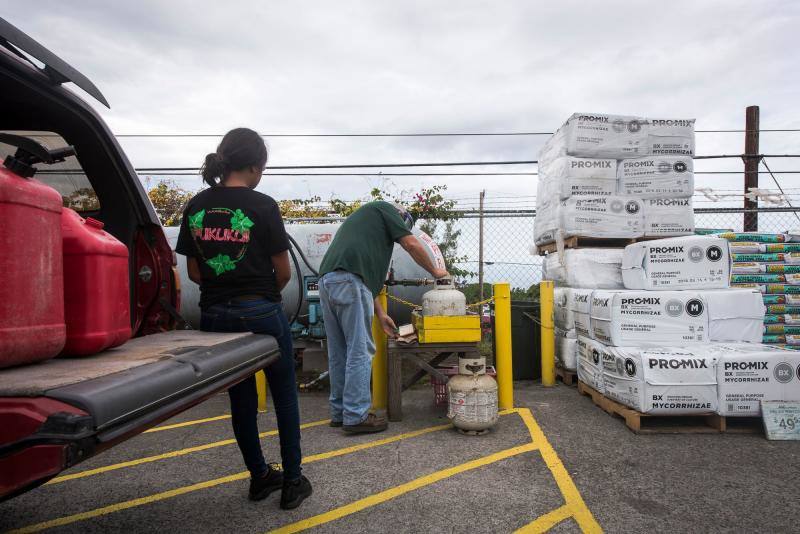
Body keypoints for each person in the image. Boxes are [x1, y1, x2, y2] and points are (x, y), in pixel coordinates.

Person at [176, 128, 312, 509]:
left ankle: (260, 477)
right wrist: (264, 294)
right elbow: (283, 272)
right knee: (284, 395)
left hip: (215, 315)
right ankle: (293, 482)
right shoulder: (264, 206)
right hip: (262, 310)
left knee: (241, 399)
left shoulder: (197, 206)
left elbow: (195, 274)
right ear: (254, 166)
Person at [318, 201, 449, 433]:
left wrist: (381, 314)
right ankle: (356, 416)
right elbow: (410, 243)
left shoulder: (363, 224)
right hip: (348, 282)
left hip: (328, 282)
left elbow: (362, 281)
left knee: (338, 352)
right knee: (360, 349)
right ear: (400, 216)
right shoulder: (385, 209)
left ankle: (340, 413)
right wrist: (437, 271)